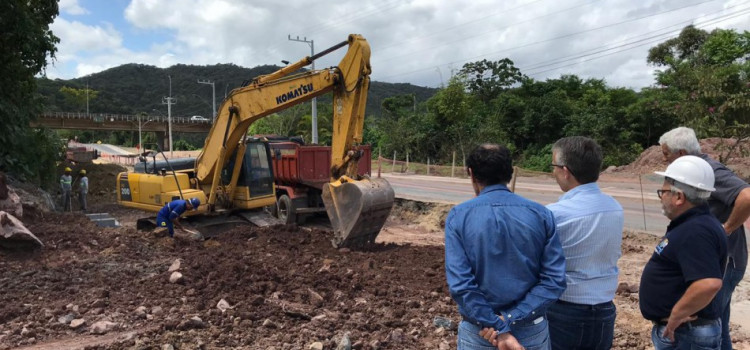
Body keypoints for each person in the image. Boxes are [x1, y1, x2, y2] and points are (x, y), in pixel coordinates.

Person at [445, 143, 566, 350]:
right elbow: (554, 281)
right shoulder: (541, 214)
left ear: (471, 174)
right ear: (509, 173)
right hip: (530, 331)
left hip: (481, 333)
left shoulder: (459, 216)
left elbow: (462, 285)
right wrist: (509, 319)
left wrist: (497, 326)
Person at [659, 127, 750, 350]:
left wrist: (726, 229)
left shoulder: (708, 170)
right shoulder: (697, 170)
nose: (664, 160)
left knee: (706, 325)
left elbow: (747, 196)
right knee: (718, 324)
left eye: (666, 154)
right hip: (719, 261)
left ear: (681, 153)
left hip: (724, 263)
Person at [639, 155, 728, 350]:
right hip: (685, 333)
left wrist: (676, 315)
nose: (661, 197)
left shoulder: (696, 231)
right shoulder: (695, 224)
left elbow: (708, 283)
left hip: (685, 334)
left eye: (663, 192)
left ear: (679, 197)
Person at [545, 137, 624, 350]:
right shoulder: (614, 207)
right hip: (604, 310)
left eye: (553, 167)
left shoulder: (555, 214)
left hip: (565, 311)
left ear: (565, 170)